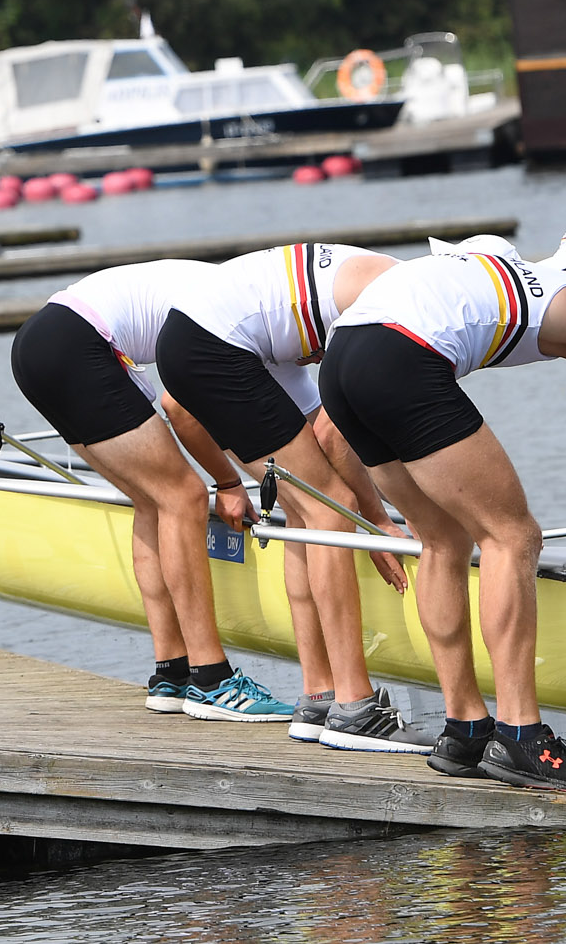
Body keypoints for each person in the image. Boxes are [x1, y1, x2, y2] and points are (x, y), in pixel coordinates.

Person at [319, 213, 566, 795]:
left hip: (341, 358)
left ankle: (464, 731)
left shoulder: (507, 267)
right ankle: (520, 736)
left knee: (442, 539)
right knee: (513, 537)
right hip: (400, 357)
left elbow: (335, 432)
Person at [155, 243, 423, 752]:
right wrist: (380, 524)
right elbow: (337, 431)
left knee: (305, 510)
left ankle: (318, 697)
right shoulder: (392, 299)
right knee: (330, 514)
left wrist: (374, 516)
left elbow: (324, 431)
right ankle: (356, 708)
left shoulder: (336, 308)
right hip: (215, 345)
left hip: (209, 343)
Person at [9, 258, 291, 723]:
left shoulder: (237, 291)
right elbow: (179, 405)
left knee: (154, 501)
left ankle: (172, 673)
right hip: (77, 344)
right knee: (185, 496)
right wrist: (227, 482)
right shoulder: (237, 312)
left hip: (40, 342)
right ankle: (212, 679)